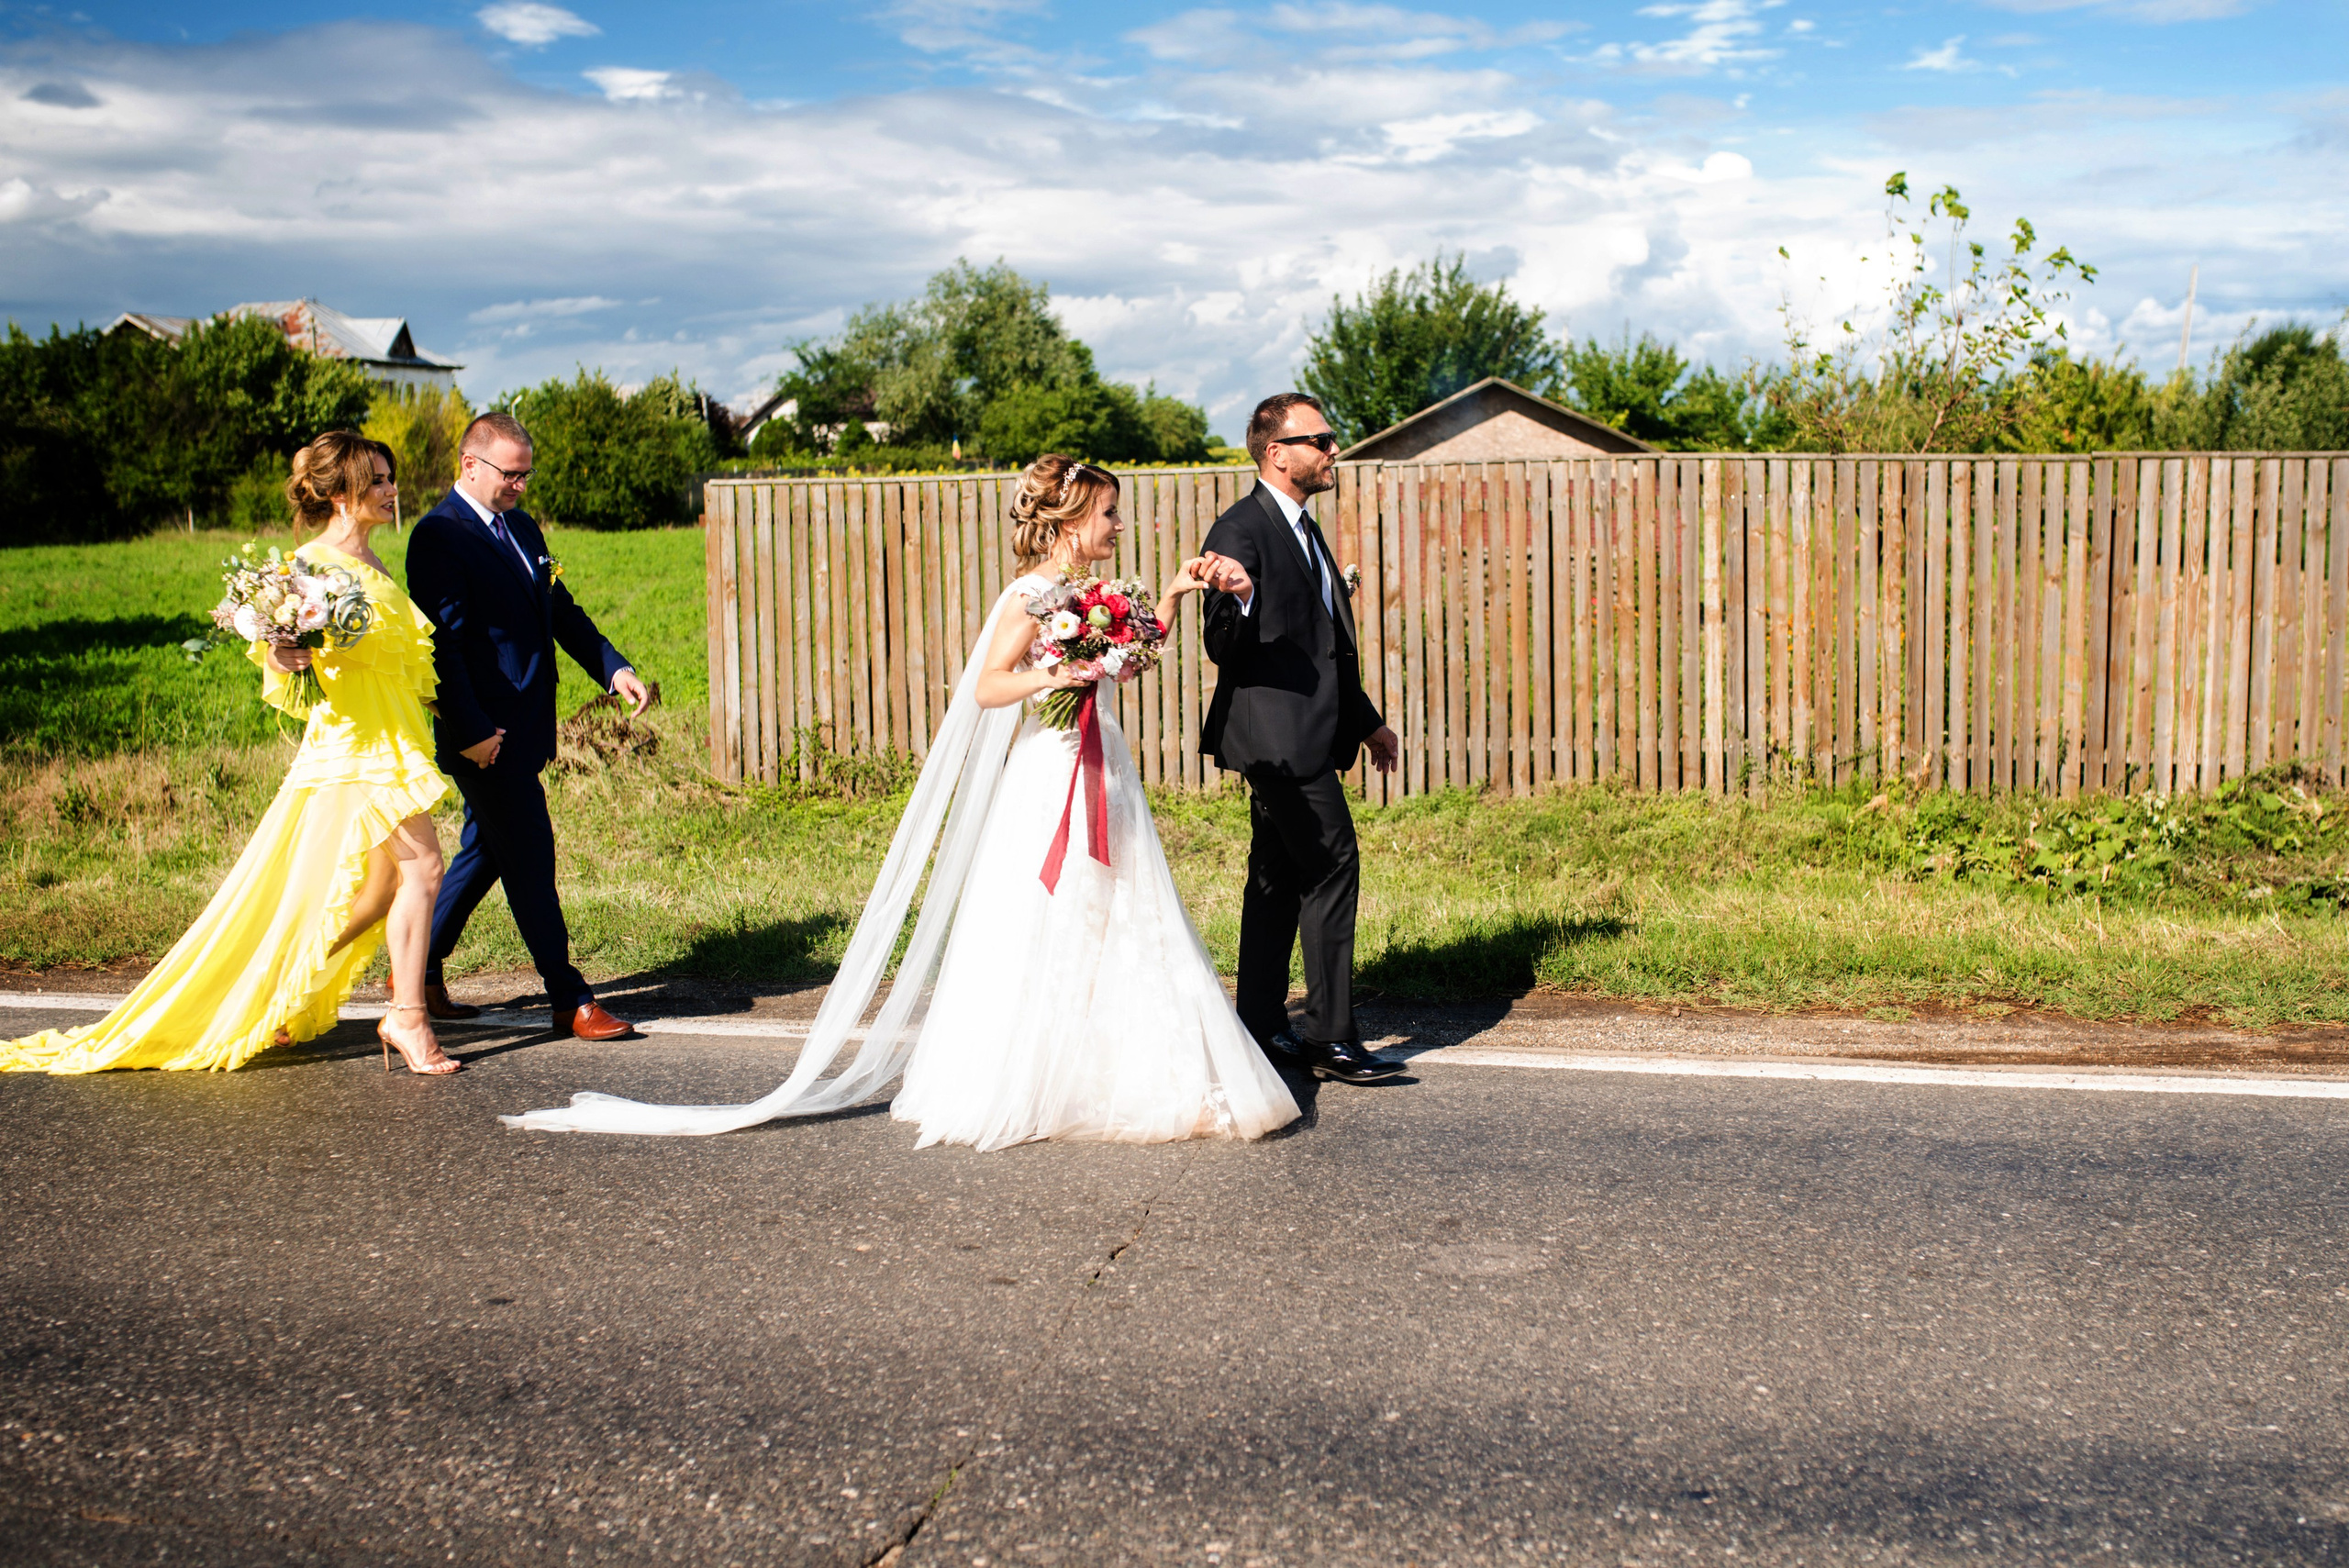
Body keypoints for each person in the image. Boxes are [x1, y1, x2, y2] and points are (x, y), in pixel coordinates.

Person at [500, 455, 1299, 1147]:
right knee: (1053, 916)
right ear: (1072, 519)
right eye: (1111, 513)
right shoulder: (1031, 592)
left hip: (1102, 766)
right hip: (1052, 767)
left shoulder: (1089, 590)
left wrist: (1174, 590)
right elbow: (988, 686)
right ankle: (1033, 1075)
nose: (1120, 524)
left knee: (1120, 913)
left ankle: (1112, 1067)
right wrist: (1054, 676)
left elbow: (1131, 656)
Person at [2, 432, 461, 1075]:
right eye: (376, 480)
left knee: (383, 888)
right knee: (425, 871)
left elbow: (405, 662)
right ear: (336, 493)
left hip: (392, 734)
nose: (391, 490)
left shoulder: (379, 568)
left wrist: (455, 716)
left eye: (390, 477)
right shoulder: (308, 566)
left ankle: (265, 989)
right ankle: (407, 1017)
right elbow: (278, 650)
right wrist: (285, 650)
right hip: (356, 745)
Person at [406, 412, 649, 1041]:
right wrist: (470, 731)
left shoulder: (521, 526)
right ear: (470, 465)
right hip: (485, 737)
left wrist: (612, 668)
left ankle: (416, 965)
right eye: (510, 475)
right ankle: (569, 998)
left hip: (525, 725)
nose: (520, 486)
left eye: (525, 475)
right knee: (532, 859)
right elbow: (444, 647)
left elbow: (558, 610)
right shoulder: (438, 536)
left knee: (488, 849)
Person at [1190, 392, 1403, 1084]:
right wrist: (1242, 596)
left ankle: (1257, 1025)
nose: (1334, 449)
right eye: (1321, 439)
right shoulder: (1239, 529)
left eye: (1332, 439)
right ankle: (1332, 1039)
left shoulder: (1305, 529)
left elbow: (1325, 648)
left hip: (1309, 733)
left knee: (1277, 878)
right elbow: (1221, 642)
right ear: (1276, 453)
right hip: (1276, 740)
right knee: (1333, 862)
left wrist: (1366, 721)